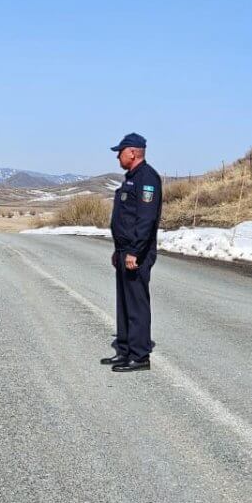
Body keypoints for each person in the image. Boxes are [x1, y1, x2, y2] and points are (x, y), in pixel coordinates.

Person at [100, 133, 162, 373]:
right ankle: (125, 350)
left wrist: (134, 252)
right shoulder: (131, 179)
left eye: (121, 151)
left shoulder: (147, 179)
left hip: (138, 252)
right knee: (124, 303)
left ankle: (140, 355)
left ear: (133, 152)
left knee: (136, 303)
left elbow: (145, 220)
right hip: (125, 250)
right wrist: (119, 250)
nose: (117, 156)